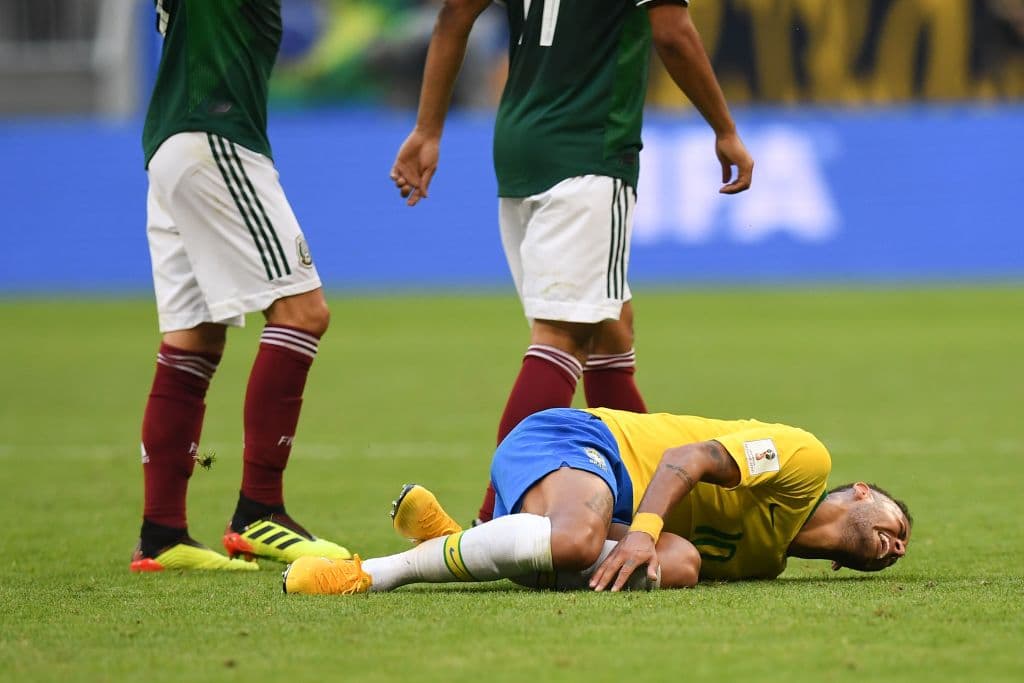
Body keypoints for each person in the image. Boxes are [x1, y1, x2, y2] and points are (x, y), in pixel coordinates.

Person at [390, 0, 755, 525]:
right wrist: (724, 128)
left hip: (520, 148)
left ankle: (653, 509)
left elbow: (453, 15)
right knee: (561, 336)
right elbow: (672, 32)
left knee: (610, 330)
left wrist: (427, 129)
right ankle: (492, 521)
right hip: (588, 150)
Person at [131, 0, 350, 572]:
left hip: (173, 140)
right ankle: (260, 511)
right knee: (303, 312)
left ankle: (162, 534)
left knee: (193, 341)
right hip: (213, 133)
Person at [282, 407, 911, 594]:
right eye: (896, 521)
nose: (898, 542)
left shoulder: (766, 563)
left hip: (591, 505)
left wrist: (638, 541)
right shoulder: (806, 463)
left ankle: (455, 537)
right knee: (586, 541)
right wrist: (640, 532)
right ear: (860, 492)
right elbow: (683, 461)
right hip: (581, 441)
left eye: (901, 547)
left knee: (681, 566)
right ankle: (371, 575)